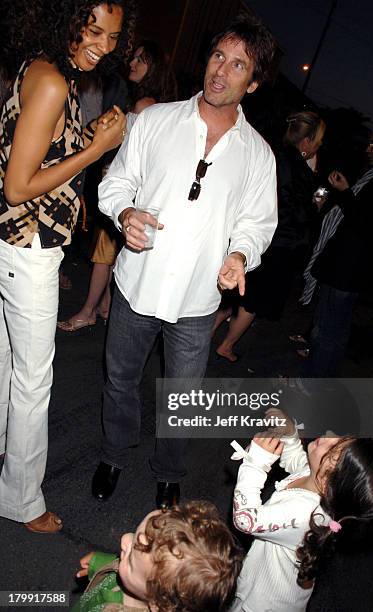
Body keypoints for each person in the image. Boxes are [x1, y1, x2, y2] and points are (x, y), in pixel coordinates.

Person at [91, 14, 278, 508]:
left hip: (198, 301)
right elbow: (115, 183)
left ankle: (169, 472)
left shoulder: (259, 156)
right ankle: (113, 453)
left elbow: (257, 223)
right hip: (138, 284)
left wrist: (241, 254)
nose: (221, 70)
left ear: (252, 83)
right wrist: (125, 210)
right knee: (120, 380)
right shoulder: (155, 120)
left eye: (238, 65)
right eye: (218, 56)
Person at [0, 0, 137, 532]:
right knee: (33, 379)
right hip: (29, 246)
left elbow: (39, 153)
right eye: (93, 29)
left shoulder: (44, 68)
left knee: (9, 359)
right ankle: (21, 499)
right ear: (68, 20)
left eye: (113, 36)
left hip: (15, 242)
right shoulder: (56, 81)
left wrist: (86, 138)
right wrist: (98, 147)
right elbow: (18, 185)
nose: (103, 44)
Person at [58, 41, 177, 332]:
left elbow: (130, 153)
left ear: (154, 69)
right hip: (135, 191)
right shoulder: (160, 104)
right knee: (112, 253)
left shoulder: (144, 106)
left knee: (104, 252)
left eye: (140, 60)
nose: (132, 63)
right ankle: (104, 304)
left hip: (125, 191)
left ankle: (87, 311)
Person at [229, 418, 373, 611]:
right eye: (339, 437)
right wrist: (290, 434)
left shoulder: (304, 514)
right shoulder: (317, 477)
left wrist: (255, 463)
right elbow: (296, 460)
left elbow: (245, 520)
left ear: (327, 483)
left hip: (265, 601)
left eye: (332, 449)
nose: (329, 434)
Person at [214, 111, 325, 363]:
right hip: (277, 245)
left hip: (253, 236)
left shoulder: (270, 153)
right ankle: (227, 345)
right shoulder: (298, 169)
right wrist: (314, 207)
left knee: (234, 293)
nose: (318, 145)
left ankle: (207, 334)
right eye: (317, 140)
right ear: (306, 141)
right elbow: (295, 211)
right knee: (253, 301)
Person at [303, 119, 373, 377]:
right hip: (348, 268)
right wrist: (344, 193)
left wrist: (346, 192)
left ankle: (311, 381)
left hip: (347, 269)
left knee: (327, 331)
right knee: (335, 330)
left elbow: (369, 225)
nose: (368, 148)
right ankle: (322, 378)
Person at [71, 500, 244, 612]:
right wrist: (101, 563)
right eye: (134, 534)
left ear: (158, 605)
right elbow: (131, 569)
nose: (125, 538)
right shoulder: (141, 579)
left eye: (130, 560)